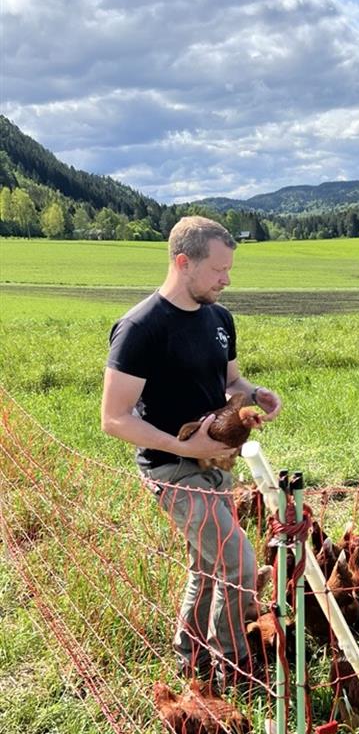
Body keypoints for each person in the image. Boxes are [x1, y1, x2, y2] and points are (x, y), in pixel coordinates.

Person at [101, 215, 281, 693]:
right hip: (172, 468)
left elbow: (229, 382)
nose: (227, 279)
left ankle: (190, 654)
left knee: (209, 564)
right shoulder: (141, 328)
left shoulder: (219, 318)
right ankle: (235, 668)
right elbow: (114, 418)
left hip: (218, 463)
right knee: (239, 563)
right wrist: (184, 445)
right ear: (184, 262)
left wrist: (256, 392)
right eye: (219, 269)